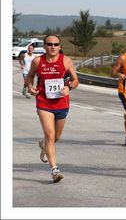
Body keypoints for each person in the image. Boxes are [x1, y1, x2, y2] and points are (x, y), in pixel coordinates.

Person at [25, 34, 79, 183]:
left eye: (56, 44)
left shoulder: (66, 61)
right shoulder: (38, 61)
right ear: (44, 47)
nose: (53, 47)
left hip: (62, 103)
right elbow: (29, 77)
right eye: (49, 44)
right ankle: (54, 170)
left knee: (56, 137)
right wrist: (30, 87)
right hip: (44, 102)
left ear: (60, 47)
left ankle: (44, 146)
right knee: (50, 135)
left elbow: (75, 81)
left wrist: (68, 87)